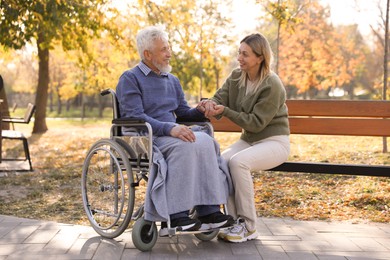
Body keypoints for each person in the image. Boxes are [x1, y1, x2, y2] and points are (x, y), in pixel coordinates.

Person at [115, 25, 234, 236]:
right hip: (146, 137)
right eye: (164, 49)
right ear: (147, 54)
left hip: (170, 133)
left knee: (205, 141)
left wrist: (200, 111)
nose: (169, 54)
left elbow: (182, 113)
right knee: (184, 146)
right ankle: (177, 215)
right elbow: (135, 117)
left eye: (169, 48)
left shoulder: (173, 80)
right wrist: (170, 128)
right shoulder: (130, 78)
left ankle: (208, 211)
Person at [199, 33, 290, 243]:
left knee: (239, 162)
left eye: (245, 54)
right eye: (239, 52)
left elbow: (256, 123)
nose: (239, 58)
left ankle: (249, 226)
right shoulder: (236, 76)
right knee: (222, 161)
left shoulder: (272, 84)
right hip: (249, 141)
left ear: (260, 58)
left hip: (274, 142)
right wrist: (210, 104)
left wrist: (227, 112)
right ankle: (233, 221)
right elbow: (220, 96)